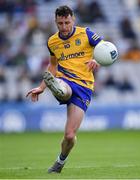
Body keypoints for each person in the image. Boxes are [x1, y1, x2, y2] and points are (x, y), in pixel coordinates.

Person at [26, 5, 103, 173]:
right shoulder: (52, 41)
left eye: (67, 22)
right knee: (63, 90)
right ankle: (58, 89)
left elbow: (106, 48)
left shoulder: (86, 34)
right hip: (65, 79)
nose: (64, 27)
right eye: (60, 23)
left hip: (84, 86)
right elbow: (53, 66)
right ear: (55, 22)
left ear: (73, 19)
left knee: (69, 136)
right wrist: (41, 87)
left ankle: (59, 163)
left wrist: (97, 59)